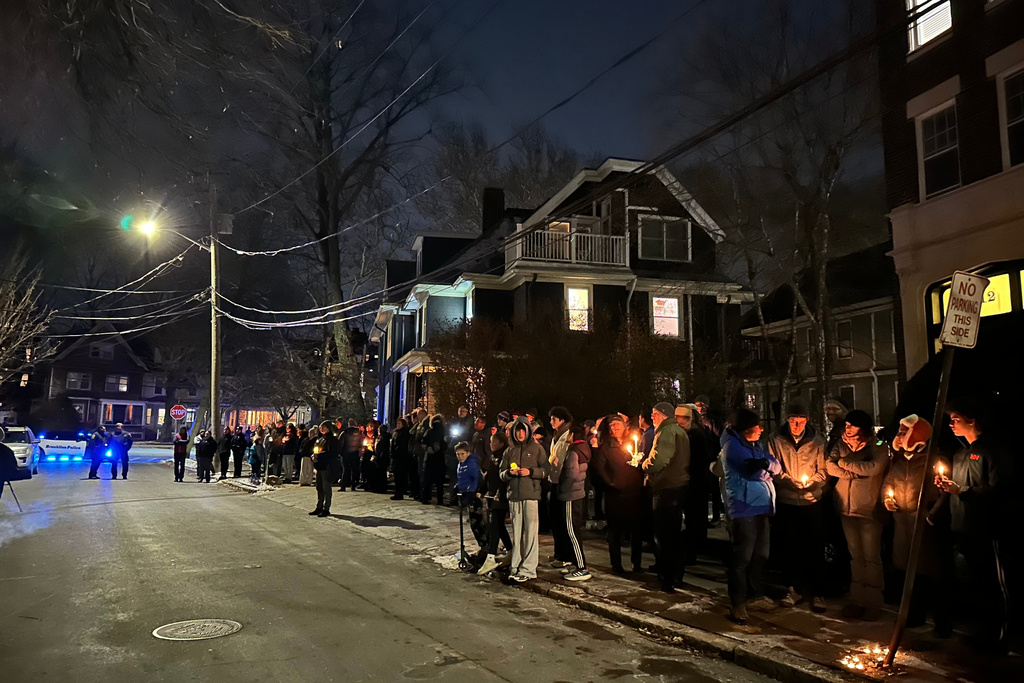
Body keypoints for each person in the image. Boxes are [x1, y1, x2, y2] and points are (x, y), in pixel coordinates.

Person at [936, 397, 1008, 653]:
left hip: (987, 528)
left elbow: (998, 490)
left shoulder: (990, 451)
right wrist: (947, 487)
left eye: (955, 419)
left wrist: (962, 489)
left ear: (972, 420)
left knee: (995, 584)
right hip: (964, 527)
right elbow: (958, 490)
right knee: (977, 583)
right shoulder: (960, 453)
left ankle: (1000, 638)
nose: (951, 425)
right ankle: (983, 632)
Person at [884, 414, 952, 637]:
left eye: (904, 432)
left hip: (925, 527)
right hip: (903, 524)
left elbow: (945, 492)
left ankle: (943, 623)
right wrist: (887, 498)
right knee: (910, 574)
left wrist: (931, 515)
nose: (899, 436)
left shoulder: (934, 460)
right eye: (900, 432)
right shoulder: (901, 460)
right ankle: (915, 614)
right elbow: (888, 483)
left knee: (933, 575)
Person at [721, 409, 782, 624]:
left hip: (762, 506)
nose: (762, 430)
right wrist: (767, 469)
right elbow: (754, 472)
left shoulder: (756, 445)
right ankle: (738, 602)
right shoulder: (733, 447)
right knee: (742, 557)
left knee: (760, 554)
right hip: (744, 507)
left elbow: (776, 464)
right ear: (747, 428)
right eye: (758, 426)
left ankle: (755, 594)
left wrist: (767, 466)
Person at [767, 398, 829, 613]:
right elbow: (772, 467)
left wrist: (814, 483)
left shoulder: (817, 441)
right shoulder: (776, 439)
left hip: (811, 501)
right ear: (787, 420)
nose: (797, 426)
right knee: (790, 547)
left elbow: (824, 470)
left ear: (807, 421)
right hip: (787, 501)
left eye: (801, 422)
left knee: (814, 546)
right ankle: (793, 589)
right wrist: (787, 481)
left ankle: (817, 591)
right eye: (793, 421)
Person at [826, 409, 887, 621]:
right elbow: (829, 466)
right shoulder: (841, 443)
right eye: (847, 424)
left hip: (869, 508)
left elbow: (873, 467)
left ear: (863, 428)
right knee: (855, 556)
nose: (848, 428)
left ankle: (873, 602)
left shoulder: (878, 446)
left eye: (852, 425)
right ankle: (857, 599)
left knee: (871, 557)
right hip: (846, 506)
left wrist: (844, 463)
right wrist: (851, 473)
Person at [642, 402, 690, 593]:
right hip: (678, 485)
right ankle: (676, 575)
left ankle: (666, 579)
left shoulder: (666, 432)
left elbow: (659, 460)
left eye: (654, 413)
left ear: (663, 415)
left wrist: (644, 464)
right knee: (674, 534)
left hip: (666, 487)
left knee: (663, 535)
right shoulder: (678, 431)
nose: (651, 417)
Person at [592, 414, 646, 574]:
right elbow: (599, 467)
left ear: (625, 426)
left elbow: (640, 463)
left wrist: (640, 466)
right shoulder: (606, 447)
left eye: (617, 424)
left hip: (634, 493)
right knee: (615, 532)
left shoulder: (634, 444)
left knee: (636, 532)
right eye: (611, 426)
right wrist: (610, 482)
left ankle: (637, 563)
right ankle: (617, 565)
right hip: (615, 495)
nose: (614, 428)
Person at [499, 418, 548, 583]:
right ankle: (516, 566)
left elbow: (546, 470)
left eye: (523, 430)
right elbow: (501, 473)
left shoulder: (537, 449)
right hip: (514, 496)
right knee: (517, 533)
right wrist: (509, 474)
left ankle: (528, 569)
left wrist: (531, 472)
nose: (520, 433)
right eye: (517, 430)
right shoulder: (509, 451)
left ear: (528, 431)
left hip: (531, 495)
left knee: (531, 533)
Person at [554, 423, 592, 582]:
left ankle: (582, 567)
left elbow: (571, 475)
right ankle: (575, 563)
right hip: (578, 493)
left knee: (572, 531)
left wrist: (561, 487)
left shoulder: (573, 453)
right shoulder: (585, 449)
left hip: (570, 495)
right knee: (573, 529)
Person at [676, 404, 713, 564]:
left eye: (680, 418)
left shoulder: (695, 435)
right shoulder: (699, 432)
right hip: (699, 480)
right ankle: (697, 547)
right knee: (697, 517)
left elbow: (696, 459)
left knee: (694, 517)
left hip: (695, 481)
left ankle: (692, 551)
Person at [477, 431, 514, 575]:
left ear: (501, 443)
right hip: (492, 495)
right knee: (499, 525)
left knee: (494, 525)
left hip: (500, 497)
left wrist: (499, 492)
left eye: (494, 442)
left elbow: (503, 477)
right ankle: (510, 551)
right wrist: (482, 489)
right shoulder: (493, 457)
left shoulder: (504, 455)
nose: (491, 444)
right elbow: (489, 476)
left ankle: (491, 556)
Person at [546, 406, 574, 567]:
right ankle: (558, 553)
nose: (551, 422)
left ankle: (565, 556)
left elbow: (563, 457)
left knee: (562, 520)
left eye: (553, 419)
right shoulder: (557, 435)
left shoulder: (567, 435)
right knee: (555, 519)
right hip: (554, 479)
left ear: (562, 420)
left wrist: (555, 462)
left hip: (563, 481)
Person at [311, 421, 341, 517]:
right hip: (319, 465)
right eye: (320, 427)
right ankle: (319, 506)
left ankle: (326, 507)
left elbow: (333, 453)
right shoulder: (320, 439)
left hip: (327, 465)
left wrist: (321, 455)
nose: (321, 429)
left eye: (324, 427)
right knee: (319, 487)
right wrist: (314, 455)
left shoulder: (332, 440)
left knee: (326, 487)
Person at [421, 414, 448, 505]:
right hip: (437, 458)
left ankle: (426, 498)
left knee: (429, 480)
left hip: (432, 458)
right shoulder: (443, 432)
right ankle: (439, 499)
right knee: (438, 481)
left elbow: (423, 442)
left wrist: (430, 448)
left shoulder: (430, 431)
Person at [390, 418, 411, 500]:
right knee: (397, 476)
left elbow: (402, 444)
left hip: (402, 457)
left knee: (401, 476)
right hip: (396, 457)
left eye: (399, 423)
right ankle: (398, 492)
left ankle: (400, 492)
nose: (397, 425)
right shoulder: (396, 433)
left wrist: (396, 450)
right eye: (397, 423)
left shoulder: (404, 433)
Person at [340, 419, 363, 491]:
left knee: (346, 470)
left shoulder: (345, 433)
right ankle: (353, 485)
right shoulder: (359, 433)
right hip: (355, 453)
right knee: (354, 469)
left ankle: (343, 486)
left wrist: (341, 452)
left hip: (346, 453)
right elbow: (361, 443)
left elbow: (340, 443)